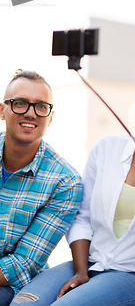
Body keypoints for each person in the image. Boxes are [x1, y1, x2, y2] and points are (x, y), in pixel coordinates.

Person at [10, 65, 135, 306]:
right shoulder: (106, 148)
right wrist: (81, 271)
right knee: (23, 303)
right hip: (88, 264)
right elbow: (82, 218)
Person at [0, 70, 82, 306]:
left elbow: (23, 264)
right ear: (2, 110)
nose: (30, 113)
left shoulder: (65, 181)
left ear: (50, 117)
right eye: (20, 103)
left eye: (40, 107)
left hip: (8, 284)